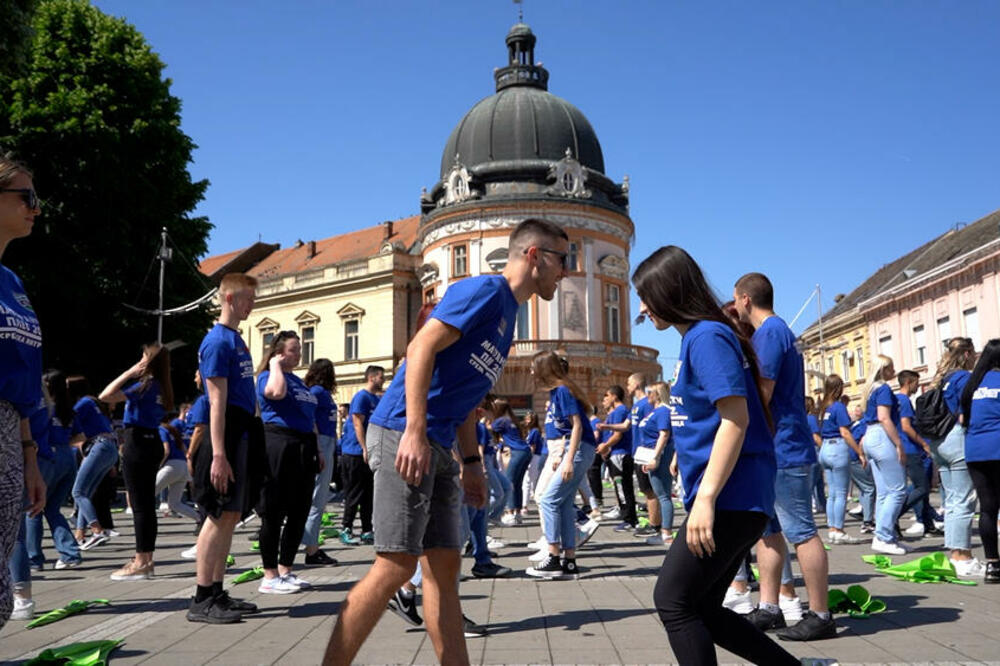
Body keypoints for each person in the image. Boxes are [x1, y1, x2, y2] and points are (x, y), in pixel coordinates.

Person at [322, 217, 568, 666]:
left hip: (438, 445)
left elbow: (465, 395)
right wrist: (414, 431)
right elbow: (420, 349)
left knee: (443, 571)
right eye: (562, 260)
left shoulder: (509, 313)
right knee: (396, 564)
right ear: (534, 256)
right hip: (402, 432)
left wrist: (472, 462)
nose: (565, 271)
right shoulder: (484, 292)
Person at [634, 246, 799, 665]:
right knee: (703, 606)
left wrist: (705, 499)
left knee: (673, 601)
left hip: (731, 497)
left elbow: (735, 418)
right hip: (734, 495)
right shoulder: (701, 336)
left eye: (647, 296)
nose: (642, 308)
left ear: (670, 292)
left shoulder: (706, 336)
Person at [733, 272, 834, 640]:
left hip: (785, 448)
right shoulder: (774, 334)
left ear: (745, 299)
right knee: (769, 533)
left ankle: (821, 614)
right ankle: (769, 606)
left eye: (736, 302)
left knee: (801, 531)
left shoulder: (771, 333)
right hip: (776, 448)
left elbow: (763, 393)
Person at [187, 272, 264, 623]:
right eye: (249, 298)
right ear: (230, 299)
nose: (253, 304)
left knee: (231, 516)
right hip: (226, 437)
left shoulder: (236, 340)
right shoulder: (218, 342)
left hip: (242, 431)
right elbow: (216, 403)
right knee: (217, 516)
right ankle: (202, 598)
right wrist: (219, 454)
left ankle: (217, 591)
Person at [0, 155, 46, 629]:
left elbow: (24, 379)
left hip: (11, 430)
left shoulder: (12, 283)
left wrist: (29, 454)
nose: (36, 208)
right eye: (26, 197)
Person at [99, 343, 174, 581]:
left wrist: (129, 373)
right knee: (146, 506)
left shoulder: (144, 385)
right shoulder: (162, 386)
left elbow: (106, 395)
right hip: (151, 441)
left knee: (140, 507)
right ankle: (145, 559)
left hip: (138, 441)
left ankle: (142, 561)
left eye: (143, 356)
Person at [255, 330, 320, 594]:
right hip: (278, 443)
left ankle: (286, 569)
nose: (300, 353)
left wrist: (320, 451)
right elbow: (275, 393)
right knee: (274, 511)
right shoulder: (267, 377)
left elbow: (309, 416)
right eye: (294, 349)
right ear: (280, 352)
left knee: (299, 510)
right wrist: (274, 365)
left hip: (304, 445)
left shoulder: (299, 382)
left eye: (300, 349)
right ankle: (269, 575)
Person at [526, 351, 598, 579]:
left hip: (578, 450)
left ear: (543, 369)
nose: (530, 372)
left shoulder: (563, 391)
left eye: (533, 367)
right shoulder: (558, 391)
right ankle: (569, 562)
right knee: (565, 504)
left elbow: (576, 425)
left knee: (547, 499)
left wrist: (568, 459)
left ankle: (553, 557)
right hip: (578, 449)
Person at [929, 337, 983, 576]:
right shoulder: (964, 378)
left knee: (951, 501)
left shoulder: (942, 380)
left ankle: (955, 555)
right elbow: (968, 410)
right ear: (968, 353)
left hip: (939, 441)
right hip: (957, 438)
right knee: (964, 500)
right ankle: (963, 557)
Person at [25, 371, 82, 570]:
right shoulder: (69, 409)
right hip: (67, 456)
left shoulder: (43, 408)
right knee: (52, 509)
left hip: (46, 456)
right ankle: (70, 553)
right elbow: (80, 435)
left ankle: (34, 558)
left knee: (33, 509)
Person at [960, 338, 1000, 583]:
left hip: (975, 451)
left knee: (987, 508)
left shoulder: (972, 385)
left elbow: (964, 419)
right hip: (997, 448)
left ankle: (993, 565)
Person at [860, 354, 908, 555]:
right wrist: (898, 444)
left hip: (870, 435)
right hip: (881, 435)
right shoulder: (884, 389)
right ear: (883, 370)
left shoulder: (869, 390)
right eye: (891, 368)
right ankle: (884, 535)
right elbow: (884, 417)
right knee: (898, 490)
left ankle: (883, 536)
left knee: (884, 492)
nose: (894, 372)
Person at [67, 376, 118, 550]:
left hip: (98, 446)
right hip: (108, 447)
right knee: (85, 493)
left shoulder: (82, 403)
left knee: (78, 492)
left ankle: (97, 530)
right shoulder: (94, 403)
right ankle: (80, 534)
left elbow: (68, 420)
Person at [816, 375, 865, 543]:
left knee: (832, 493)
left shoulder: (824, 408)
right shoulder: (838, 407)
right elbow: (845, 432)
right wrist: (859, 451)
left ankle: (832, 528)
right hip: (837, 447)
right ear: (839, 388)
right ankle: (839, 529)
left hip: (825, 449)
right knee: (842, 493)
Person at [338, 365, 383, 545]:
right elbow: (358, 424)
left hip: (368, 453)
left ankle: (366, 530)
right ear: (372, 378)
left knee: (368, 494)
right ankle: (346, 528)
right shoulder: (361, 397)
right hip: (355, 452)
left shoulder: (376, 399)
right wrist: (364, 447)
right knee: (354, 493)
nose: (382, 380)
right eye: (381, 377)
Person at [302, 358, 339, 566]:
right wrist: (318, 448)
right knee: (317, 498)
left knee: (319, 498)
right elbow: (311, 419)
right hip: (322, 443)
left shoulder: (321, 393)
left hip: (326, 442)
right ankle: (311, 550)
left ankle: (311, 545)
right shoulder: (317, 392)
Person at [896, 369, 940, 538]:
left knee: (920, 486)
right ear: (909, 382)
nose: (917, 386)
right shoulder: (904, 401)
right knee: (922, 487)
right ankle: (894, 515)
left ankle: (928, 524)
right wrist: (923, 444)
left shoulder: (897, 400)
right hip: (911, 449)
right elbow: (906, 426)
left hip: (905, 448)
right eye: (916, 383)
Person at [636, 381, 675, 546]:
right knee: (661, 495)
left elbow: (664, 435)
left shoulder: (663, 411)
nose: (647, 394)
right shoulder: (655, 412)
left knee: (664, 496)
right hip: (652, 454)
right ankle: (664, 532)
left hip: (660, 455)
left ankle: (666, 534)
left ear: (657, 394)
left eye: (650, 392)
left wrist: (656, 457)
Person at [595, 385, 636, 530]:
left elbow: (618, 435)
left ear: (614, 396)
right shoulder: (615, 412)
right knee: (621, 486)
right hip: (616, 453)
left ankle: (629, 519)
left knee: (623, 487)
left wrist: (605, 446)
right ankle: (627, 515)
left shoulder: (620, 411)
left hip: (620, 453)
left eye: (606, 395)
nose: (604, 399)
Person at [155, 416, 200, 525]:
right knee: (175, 504)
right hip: (182, 466)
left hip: (171, 466)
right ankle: (200, 519)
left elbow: (166, 450)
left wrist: (159, 466)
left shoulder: (160, 430)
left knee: (145, 496)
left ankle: (146, 525)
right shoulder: (174, 432)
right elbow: (185, 450)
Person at [494, 398, 531, 526]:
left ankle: (510, 513)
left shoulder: (500, 421)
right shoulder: (512, 420)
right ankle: (518, 513)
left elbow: (488, 427)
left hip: (517, 452)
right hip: (525, 451)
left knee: (509, 482)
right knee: (518, 483)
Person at [847, 404, 876, 533]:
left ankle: (864, 513)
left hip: (849, 457)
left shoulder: (856, 424)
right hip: (856, 459)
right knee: (869, 488)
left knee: (864, 488)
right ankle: (867, 521)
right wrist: (861, 454)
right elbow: (860, 441)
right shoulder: (864, 425)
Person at [521, 411, 543, 515]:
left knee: (529, 481)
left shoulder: (534, 431)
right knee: (530, 481)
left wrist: (526, 460)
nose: (526, 420)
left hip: (533, 457)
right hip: (533, 457)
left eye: (528, 419)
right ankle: (525, 504)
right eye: (526, 418)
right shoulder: (530, 431)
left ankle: (524, 506)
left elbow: (532, 447)